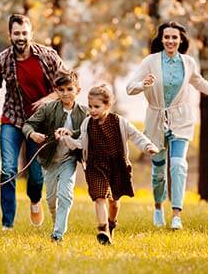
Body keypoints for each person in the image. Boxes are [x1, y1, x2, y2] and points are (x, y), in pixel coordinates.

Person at [126, 21, 208, 230]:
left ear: (181, 40)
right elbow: (129, 87)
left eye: (174, 37)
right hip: (156, 119)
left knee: (178, 165)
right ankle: (158, 208)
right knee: (159, 171)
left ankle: (177, 214)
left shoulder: (187, 62)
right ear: (161, 39)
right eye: (166, 37)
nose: (170, 41)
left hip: (181, 119)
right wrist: (143, 85)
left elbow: (199, 82)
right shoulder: (150, 61)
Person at [0, 14, 66, 230]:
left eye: (24, 33)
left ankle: (35, 200)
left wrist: (48, 99)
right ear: (10, 35)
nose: (20, 37)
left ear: (31, 34)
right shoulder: (1, 60)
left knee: (37, 176)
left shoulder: (48, 56)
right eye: (16, 33)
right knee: (8, 169)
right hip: (12, 120)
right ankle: (7, 224)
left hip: (40, 124)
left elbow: (70, 84)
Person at [60, 84, 159, 245]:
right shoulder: (87, 123)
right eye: (90, 106)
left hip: (117, 166)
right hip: (95, 166)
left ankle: (111, 223)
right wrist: (66, 139)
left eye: (97, 107)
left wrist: (148, 146)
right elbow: (80, 143)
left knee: (114, 201)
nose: (92, 110)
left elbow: (136, 135)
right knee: (99, 197)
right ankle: (102, 229)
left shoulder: (120, 122)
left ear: (108, 105)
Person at [22, 70, 88, 243]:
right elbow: (28, 124)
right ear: (56, 91)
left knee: (65, 194)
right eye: (61, 90)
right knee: (51, 199)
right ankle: (55, 220)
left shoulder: (84, 113)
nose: (65, 93)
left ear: (78, 90)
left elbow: (86, 133)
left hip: (69, 160)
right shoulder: (48, 109)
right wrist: (33, 135)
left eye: (69, 89)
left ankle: (58, 234)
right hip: (49, 160)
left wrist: (71, 133)